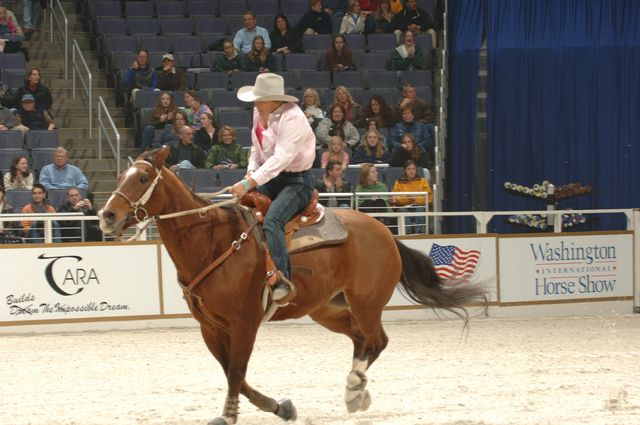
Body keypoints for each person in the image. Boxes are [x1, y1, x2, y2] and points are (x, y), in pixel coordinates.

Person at [231, 73, 316, 304]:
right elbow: (255, 149)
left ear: (274, 99)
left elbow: (281, 159)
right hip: (269, 178)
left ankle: (282, 281)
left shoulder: (293, 118)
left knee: (273, 221)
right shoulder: (259, 112)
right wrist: (250, 171)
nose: (255, 102)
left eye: (260, 98)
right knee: (239, 211)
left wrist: (249, 183)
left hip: (297, 181)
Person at [390, 159, 431, 234]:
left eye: (413, 169)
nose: (411, 171)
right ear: (405, 170)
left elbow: (429, 198)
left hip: (419, 206)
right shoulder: (398, 182)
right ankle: (407, 233)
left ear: (416, 170)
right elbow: (395, 198)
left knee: (419, 209)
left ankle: (419, 233)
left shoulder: (422, 181)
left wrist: (415, 199)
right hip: (404, 207)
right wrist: (408, 198)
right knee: (403, 210)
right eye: (409, 169)